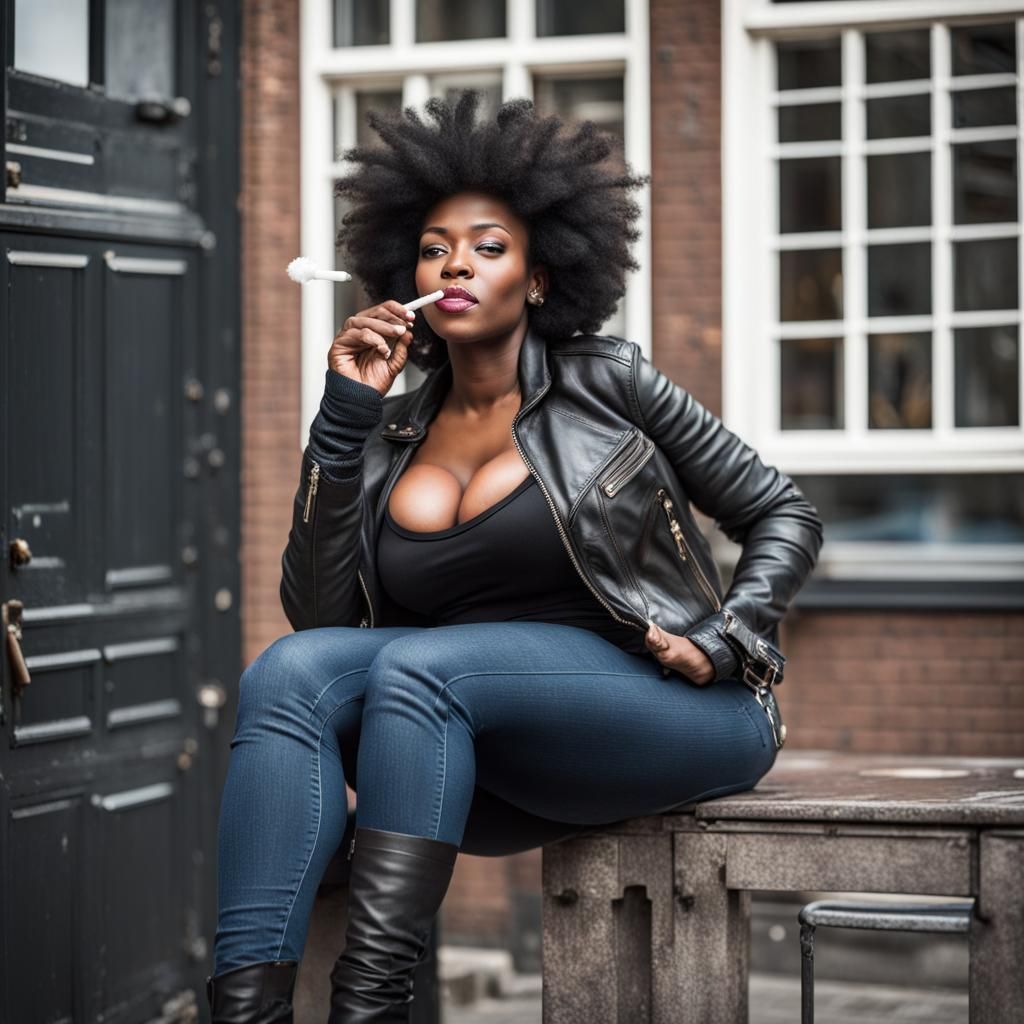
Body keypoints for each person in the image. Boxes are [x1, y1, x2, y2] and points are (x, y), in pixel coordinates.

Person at [205, 90, 824, 1022]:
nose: (455, 263)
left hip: (677, 706)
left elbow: (783, 511)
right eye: (433, 248)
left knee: (423, 666)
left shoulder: (608, 383)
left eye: (488, 246)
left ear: (538, 278)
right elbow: (322, 620)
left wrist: (734, 638)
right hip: (480, 744)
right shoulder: (391, 428)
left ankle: (364, 1010)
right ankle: (243, 1011)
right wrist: (343, 422)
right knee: (288, 672)